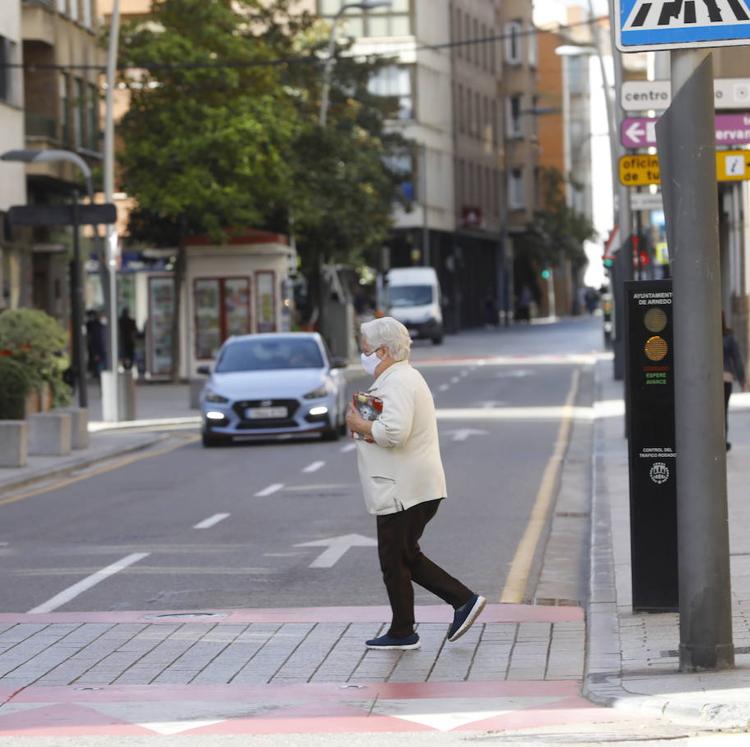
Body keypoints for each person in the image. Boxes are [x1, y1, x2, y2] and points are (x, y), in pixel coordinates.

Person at [346, 316, 485, 651]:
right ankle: (406, 627)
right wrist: (365, 423)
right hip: (406, 485)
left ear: (382, 351)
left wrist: (358, 424)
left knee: (396, 559)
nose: (362, 356)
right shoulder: (398, 379)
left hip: (402, 488)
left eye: (365, 350)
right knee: (401, 557)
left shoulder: (397, 383)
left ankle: (458, 602)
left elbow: (394, 432)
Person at [723, 313, 746, 451]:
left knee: (719, 410)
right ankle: (720, 440)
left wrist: (742, 379)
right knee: (720, 410)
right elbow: (736, 358)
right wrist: (742, 379)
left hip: (718, 378)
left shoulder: (728, 337)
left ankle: (721, 440)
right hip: (718, 378)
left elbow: (737, 358)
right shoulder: (728, 337)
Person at [85, 309, 106, 380]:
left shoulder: (96, 325)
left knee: (98, 362)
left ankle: (98, 374)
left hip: (97, 347)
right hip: (97, 347)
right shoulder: (95, 325)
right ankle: (98, 374)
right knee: (98, 362)